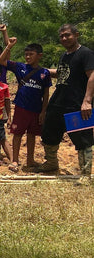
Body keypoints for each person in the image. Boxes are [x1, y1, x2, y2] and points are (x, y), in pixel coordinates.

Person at [37, 24, 94, 175]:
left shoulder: (85, 53)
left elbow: (92, 76)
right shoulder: (65, 55)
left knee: (83, 139)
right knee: (49, 133)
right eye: (61, 36)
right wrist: (42, 71)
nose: (64, 38)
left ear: (76, 35)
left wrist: (87, 101)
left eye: (67, 35)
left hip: (77, 104)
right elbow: (64, 73)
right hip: (58, 102)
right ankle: (51, 163)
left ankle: (85, 173)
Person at [0, 38, 51, 171]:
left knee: (32, 135)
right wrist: (9, 46)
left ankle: (30, 160)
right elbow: (1, 61)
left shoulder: (45, 73)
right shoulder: (20, 67)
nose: (27, 57)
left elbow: (46, 94)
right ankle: (15, 160)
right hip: (21, 108)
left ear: (39, 56)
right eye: (26, 54)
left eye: (31, 54)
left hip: (36, 109)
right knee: (17, 134)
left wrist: (43, 111)